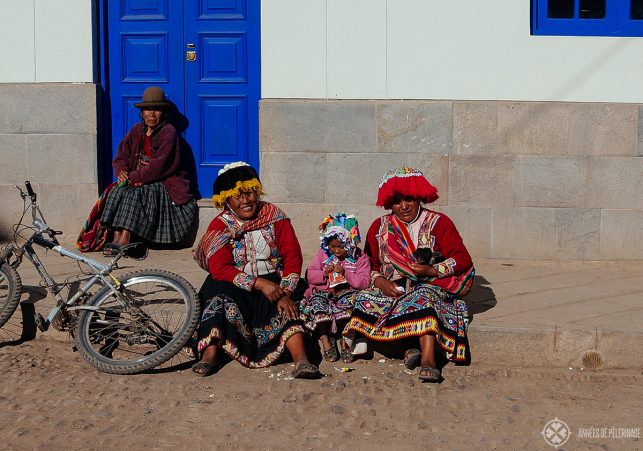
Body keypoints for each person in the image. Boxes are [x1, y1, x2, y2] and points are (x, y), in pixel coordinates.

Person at [343, 167, 475, 383]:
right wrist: (381, 281)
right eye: (397, 202)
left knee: (422, 300)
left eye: (409, 199)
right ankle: (407, 348)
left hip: (429, 285)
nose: (404, 206)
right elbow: (371, 264)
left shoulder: (439, 223)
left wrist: (433, 270)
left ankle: (429, 360)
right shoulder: (380, 227)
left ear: (419, 197)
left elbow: (462, 259)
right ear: (389, 204)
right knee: (362, 302)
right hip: (393, 289)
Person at [192, 162, 320, 378]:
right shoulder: (220, 225)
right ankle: (209, 355)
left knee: (289, 308)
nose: (246, 200)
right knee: (216, 296)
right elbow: (220, 268)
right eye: (238, 196)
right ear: (226, 200)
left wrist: (284, 292)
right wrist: (260, 284)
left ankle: (301, 360)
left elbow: (292, 256)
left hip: (276, 279)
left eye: (250, 193)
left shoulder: (274, 216)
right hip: (235, 283)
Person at [99, 86, 196, 254]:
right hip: (136, 178)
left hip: (163, 182)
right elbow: (122, 154)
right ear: (142, 113)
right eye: (147, 109)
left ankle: (125, 239)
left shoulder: (169, 132)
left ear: (163, 113)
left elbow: (160, 166)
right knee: (116, 191)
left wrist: (133, 177)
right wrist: (121, 170)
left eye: (156, 110)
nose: (152, 114)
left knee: (137, 193)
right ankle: (115, 237)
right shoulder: (137, 130)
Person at [299, 213, 370, 362]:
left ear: (349, 243)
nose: (337, 251)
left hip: (347, 293)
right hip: (324, 292)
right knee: (317, 302)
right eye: (333, 246)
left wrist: (345, 274)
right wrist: (324, 274)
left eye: (341, 246)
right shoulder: (322, 254)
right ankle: (326, 340)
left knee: (348, 307)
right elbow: (310, 275)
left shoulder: (360, 257)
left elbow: (363, 282)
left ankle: (346, 342)